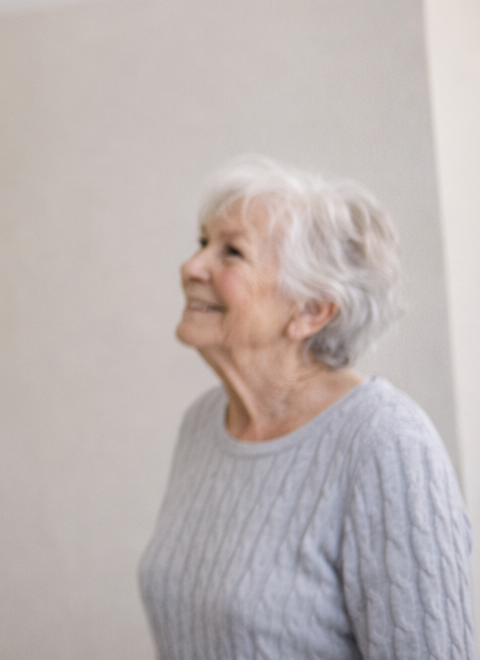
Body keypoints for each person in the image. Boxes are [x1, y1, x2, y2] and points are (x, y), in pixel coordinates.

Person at [139, 155, 475, 659]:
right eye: (202, 242)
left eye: (231, 252)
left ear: (311, 310)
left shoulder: (385, 442)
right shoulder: (203, 425)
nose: (192, 267)